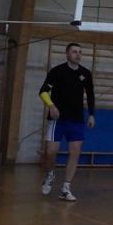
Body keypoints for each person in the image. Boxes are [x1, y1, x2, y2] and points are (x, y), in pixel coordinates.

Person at [38, 42, 95, 202]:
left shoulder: (85, 73)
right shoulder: (57, 71)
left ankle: (65, 188)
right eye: (74, 52)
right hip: (58, 119)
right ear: (67, 54)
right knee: (50, 152)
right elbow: (43, 91)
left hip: (76, 119)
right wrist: (51, 106)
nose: (78, 54)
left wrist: (91, 114)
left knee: (75, 151)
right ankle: (50, 174)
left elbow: (90, 95)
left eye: (80, 52)